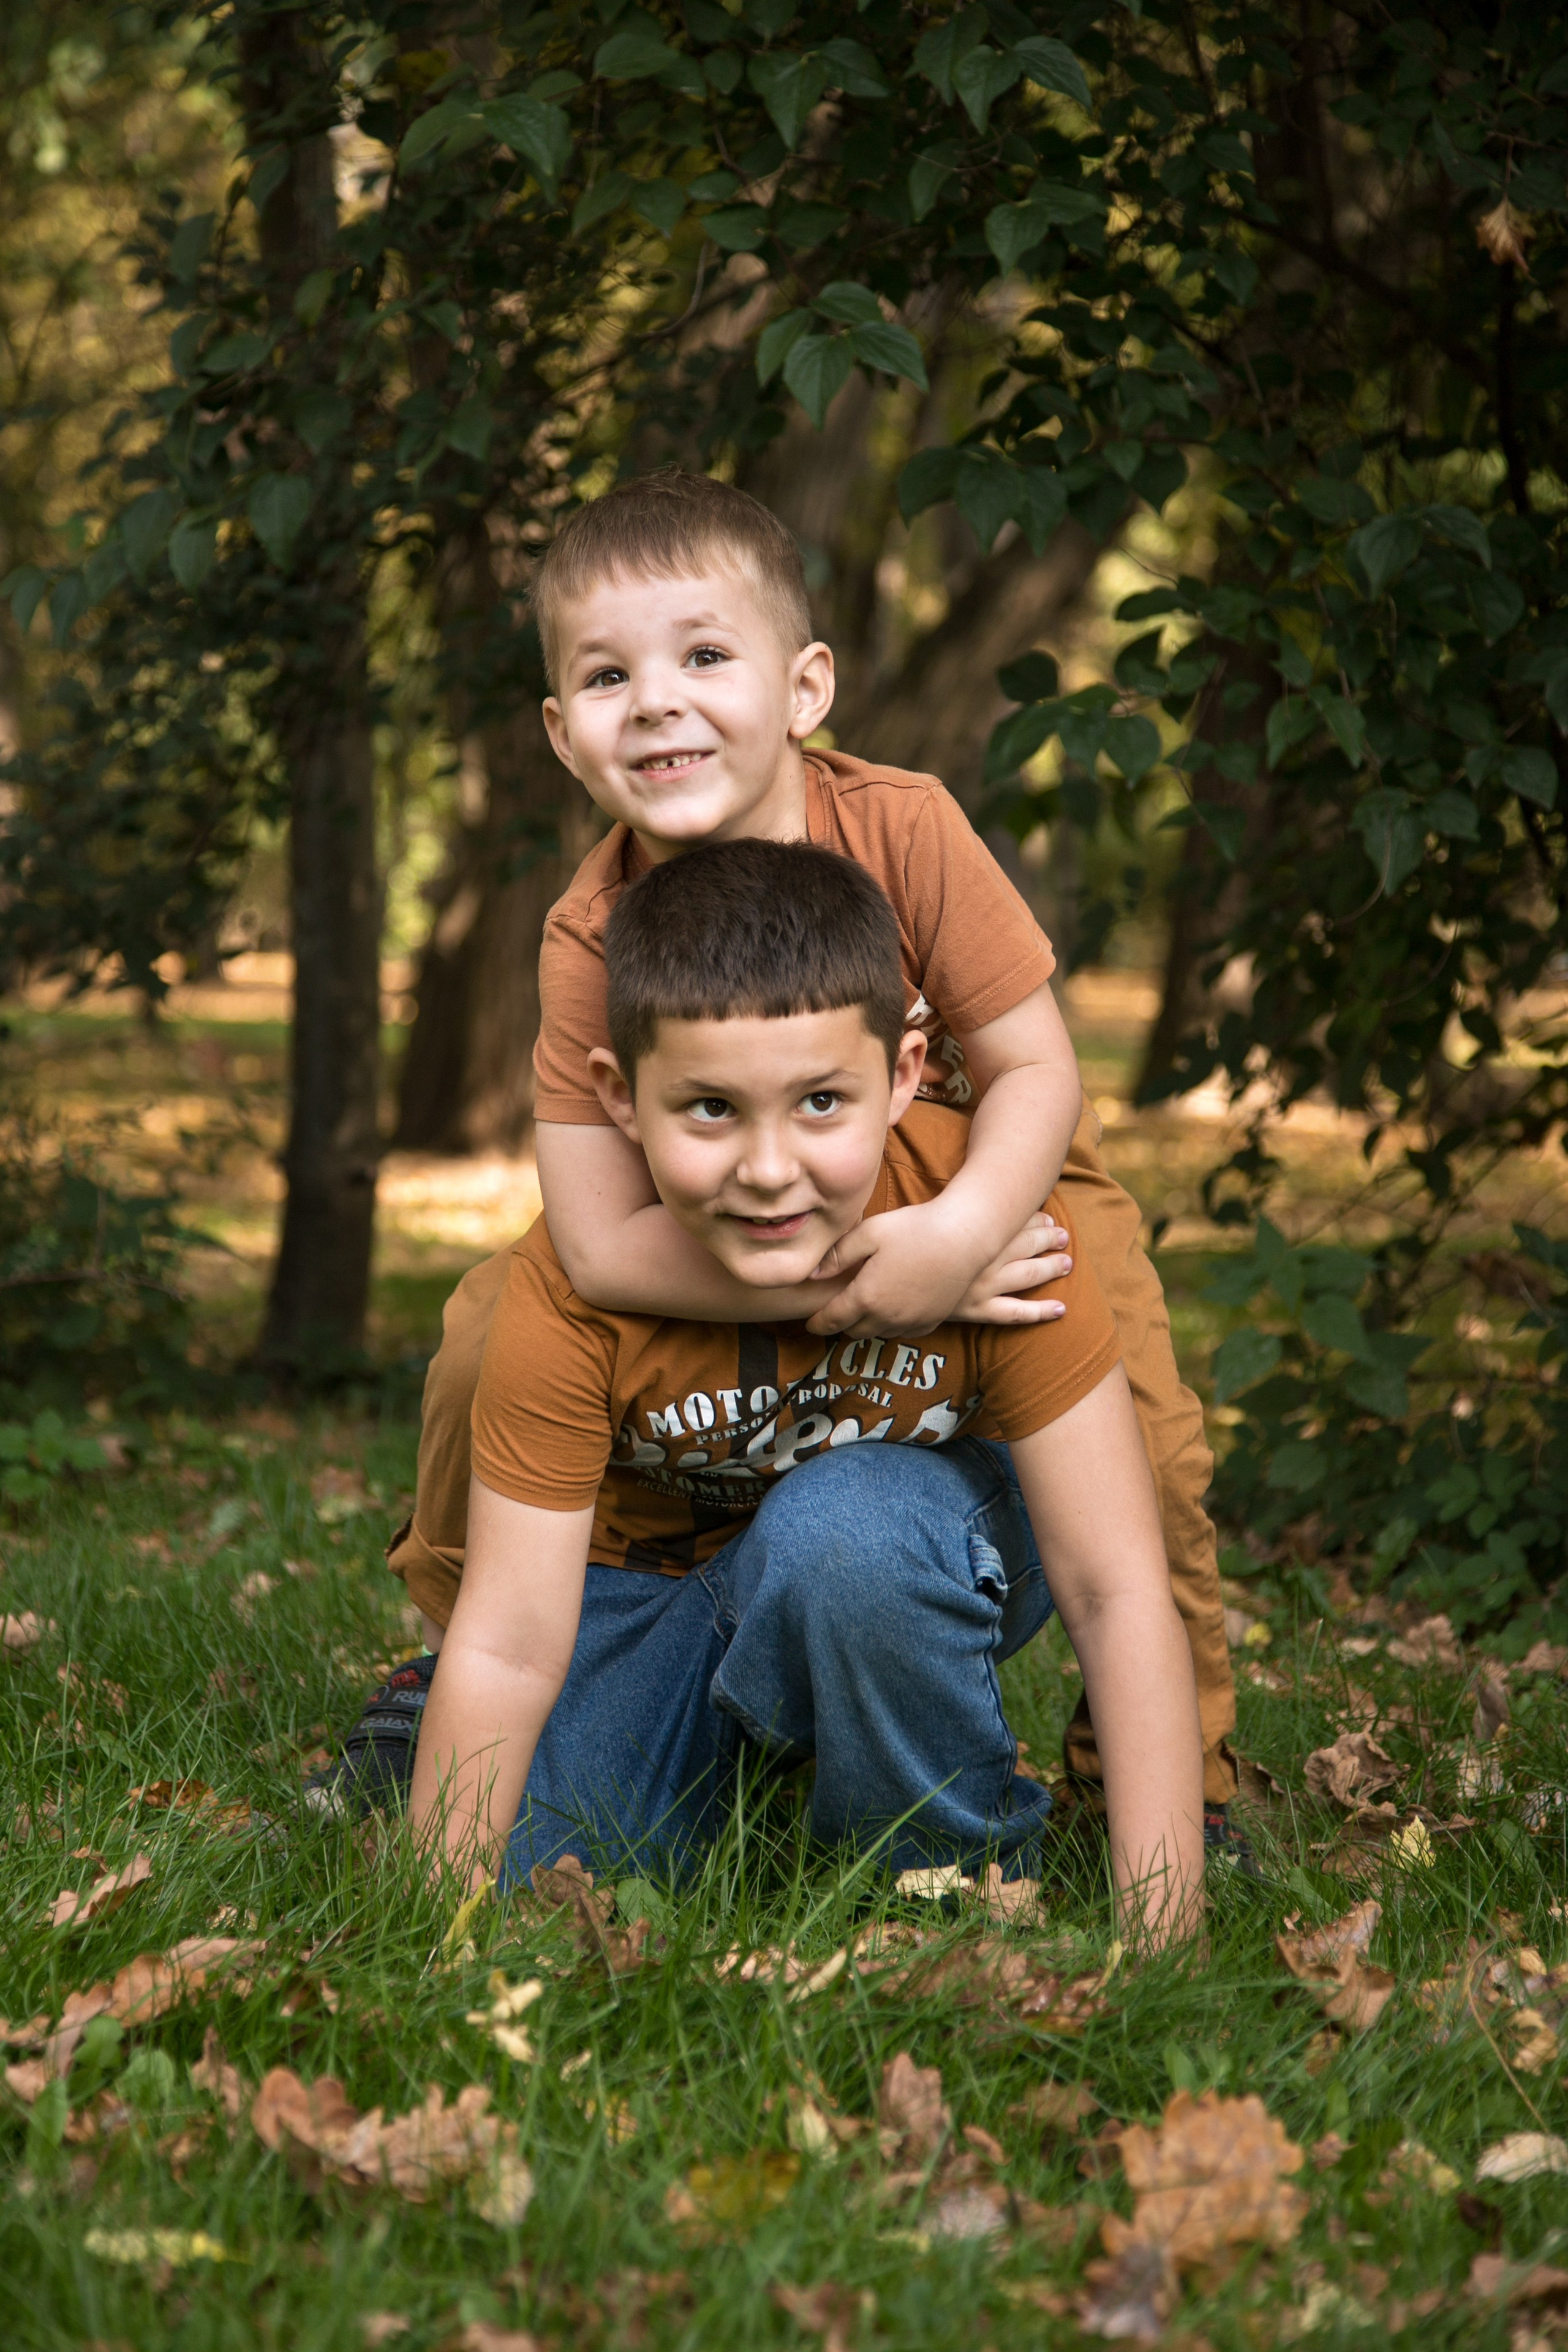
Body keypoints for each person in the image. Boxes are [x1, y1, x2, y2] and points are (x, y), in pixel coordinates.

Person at [313, 469, 1240, 1852]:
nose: (660, 700)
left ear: (803, 689)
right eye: (611, 676)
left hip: (995, 1165)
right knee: (489, 1332)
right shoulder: (589, 935)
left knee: (1138, 1430)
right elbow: (592, 1238)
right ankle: (462, 1667)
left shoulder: (902, 825)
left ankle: (1164, 1788)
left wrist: (956, 1236)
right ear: (564, 737)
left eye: (701, 656)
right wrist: (861, 1291)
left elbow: (1036, 1067)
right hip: (782, 1230)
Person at [407, 839, 1205, 1943]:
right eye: (711, 1111)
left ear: (908, 1073)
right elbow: (509, 1643)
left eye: (823, 1101)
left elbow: (1117, 1593)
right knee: (542, 1876)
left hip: (906, 1548)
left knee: (847, 1537)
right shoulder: (569, 1287)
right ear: (619, 1099)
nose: (771, 1169)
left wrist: (1167, 1933)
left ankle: (941, 1881)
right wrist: (428, 1919)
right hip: (662, 1600)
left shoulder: (993, 1235)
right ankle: (704, 1752)